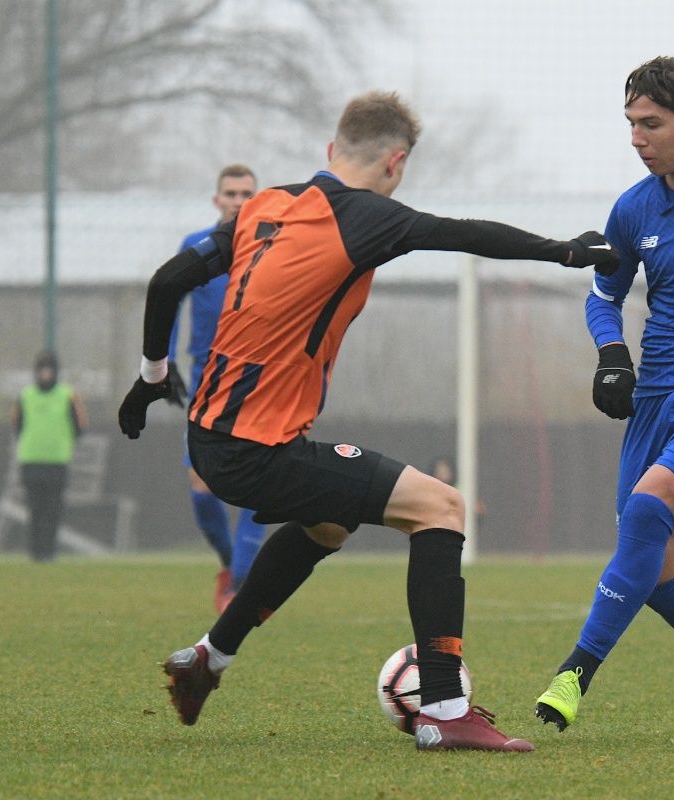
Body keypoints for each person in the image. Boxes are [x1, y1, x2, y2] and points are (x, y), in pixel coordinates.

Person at [119, 90, 619, 752]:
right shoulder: (367, 218)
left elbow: (167, 281)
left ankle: (210, 657)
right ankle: (442, 707)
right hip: (256, 450)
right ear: (396, 162)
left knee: (327, 523)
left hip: (211, 441)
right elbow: (463, 233)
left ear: (331, 151)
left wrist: (151, 378)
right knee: (440, 507)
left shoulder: (264, 205)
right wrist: (566, 251)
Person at [535, 55, 674, 733]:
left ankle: (575, 672)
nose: (637, 138)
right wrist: (612, 354)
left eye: (652, 124)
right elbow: (604, 294)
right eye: (631, 124)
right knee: (668, 584)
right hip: (655, 402)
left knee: (648, 510)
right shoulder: (635, 207)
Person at [165, 164, 266, 613]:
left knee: (259, 481)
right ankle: (230, 563)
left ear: (256, 197)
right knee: (201, 486)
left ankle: (241, 583)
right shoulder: (197, 246)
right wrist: (163, 361)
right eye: (231, 192)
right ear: (217, 199)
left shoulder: (271, 246)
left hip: (261, 376)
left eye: (247, 192)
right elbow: (167, 297)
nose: (238, 200)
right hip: (206, 376)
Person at [11, 350, 88, 561]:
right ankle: (35, 553)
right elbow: (17, 426)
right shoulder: (25, 396)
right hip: (31, 461)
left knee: (53, 510)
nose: (45, 374)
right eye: (42, 369)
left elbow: (79, 426)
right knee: (35, 510)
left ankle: (49, 553)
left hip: (57, 462)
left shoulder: (67, 395)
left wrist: (63, 443)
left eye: (49, 369)